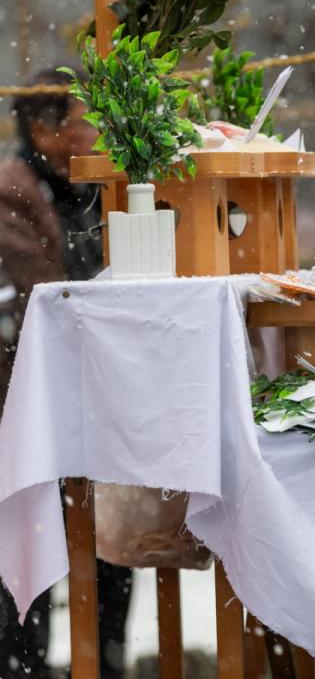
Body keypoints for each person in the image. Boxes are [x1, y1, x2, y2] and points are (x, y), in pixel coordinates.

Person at [0, 69, 132, 678]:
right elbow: (42, 293)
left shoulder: (94, 187)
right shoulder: (12, 189)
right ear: (43, 129)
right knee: (31, 542)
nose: (94, 132)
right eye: (84, 120)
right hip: (28, 400)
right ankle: (25, 665)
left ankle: (105, 659)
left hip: (91, 394)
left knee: (108, 543)